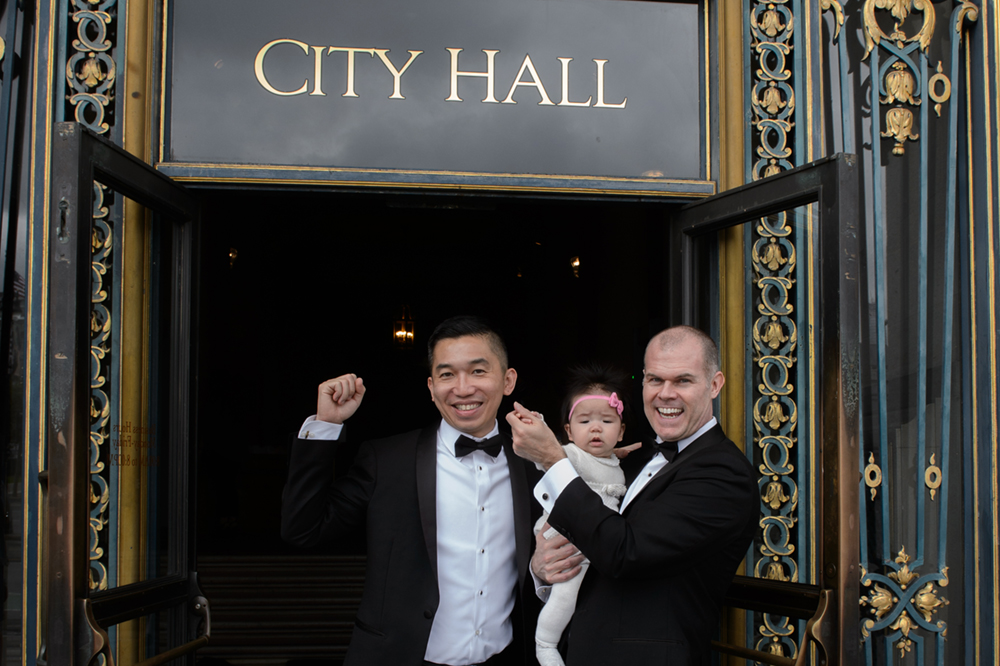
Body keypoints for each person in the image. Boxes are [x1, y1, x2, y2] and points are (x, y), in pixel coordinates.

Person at [281, 315, 539, 666]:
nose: (463, 389)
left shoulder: (534, 464)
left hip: (505, 657)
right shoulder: (386, 460)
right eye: (447, 375)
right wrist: (327, 425)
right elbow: (303, 529)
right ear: (431, 388)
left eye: (478, 371)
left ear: (508, 380)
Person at [508, 326, 759, 665]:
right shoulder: (632, 459)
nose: (665, 394)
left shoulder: (724, 474)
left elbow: (625, 551)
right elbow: (590, 539)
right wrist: (543, 566)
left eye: (683, 381)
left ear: (714, 385)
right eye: (655, 380)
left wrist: (554, 460)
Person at [532, 365, 629, 666]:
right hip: (567, 539)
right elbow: (543, 457)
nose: (596, 428)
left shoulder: (618, 463)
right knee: (566, 593)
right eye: (585, 421)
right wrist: (536, 428)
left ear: (621, 430)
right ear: (569, 431)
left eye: (606, 420)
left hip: (598, 544)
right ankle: (545, 644)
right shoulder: (570, 454)